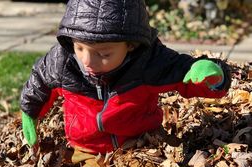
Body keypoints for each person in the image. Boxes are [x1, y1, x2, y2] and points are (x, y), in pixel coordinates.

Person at [20, 0, 231, 154]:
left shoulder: (148, 62)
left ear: (131, 45)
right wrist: (29, 111)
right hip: (85, 147)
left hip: (142, 144)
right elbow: (39, 81)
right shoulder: (62, 61)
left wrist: (212, 76)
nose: (87, 61)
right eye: (79, 47)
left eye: (104, 54)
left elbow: (183, 71)